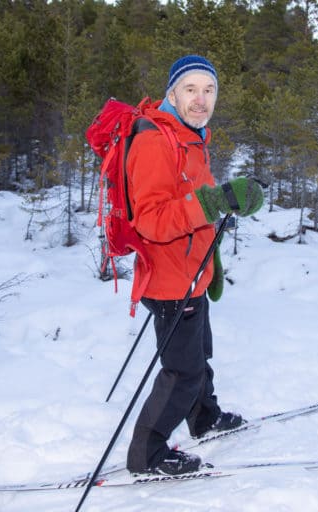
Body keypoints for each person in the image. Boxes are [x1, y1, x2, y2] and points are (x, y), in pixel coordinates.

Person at [124, 55, 264, 476]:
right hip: (168, 279)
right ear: (172, 93)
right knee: (181, 371)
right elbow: (150, 220)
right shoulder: (154, 141)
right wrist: (216, 201)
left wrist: (227, 200)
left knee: (199, 353)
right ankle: (147, 455)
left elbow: (191, 201)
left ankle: (203, 419)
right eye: (191, 89)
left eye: (209, 90)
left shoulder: (191, 135)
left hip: (192, 272)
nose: (201, 99)